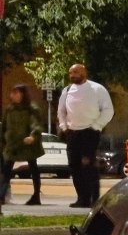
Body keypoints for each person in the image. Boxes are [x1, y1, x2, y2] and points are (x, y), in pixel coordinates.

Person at [56, 63, 113, 208]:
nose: (72, 75)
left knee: (88, 164)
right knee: (74, 165)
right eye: (70, 73)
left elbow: (108, 110)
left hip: (90, 132)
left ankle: (94, 198)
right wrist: (64, 127)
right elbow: (61, 110)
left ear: (84, 72)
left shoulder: (97, 89)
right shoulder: (67, 90)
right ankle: (82, 198)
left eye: (75, 72)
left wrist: (96, 126)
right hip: (72, 133)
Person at [1, 85, 45, 211]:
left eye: (16, 93)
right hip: (12, 144)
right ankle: (1, 196)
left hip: (28, 144)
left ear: (23, 94)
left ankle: (36, 195)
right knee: (6, 171)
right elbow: (4, 127)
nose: (13, 96)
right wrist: (3, 141)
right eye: (12, 93)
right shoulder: (9, 109)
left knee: (33, 168)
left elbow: (36, 124)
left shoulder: (31, 108)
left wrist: (33, 136)